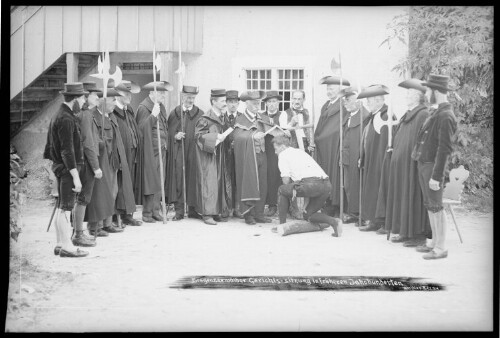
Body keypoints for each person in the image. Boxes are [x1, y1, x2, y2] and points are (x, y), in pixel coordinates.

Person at [412, 74, 457, 260]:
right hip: (425, 164)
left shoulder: (446, 115)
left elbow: (444, 149)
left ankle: (440, 247)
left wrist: (436, 177)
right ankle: (433, 242)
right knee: (430, 205)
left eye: (429, 90)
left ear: (436, 92)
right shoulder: (437, 111)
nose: (427, 93)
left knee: (437, 207)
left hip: (433, 168)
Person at [43, 82, 90, 257]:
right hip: (67, 170)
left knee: (62, 208)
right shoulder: (66, 118)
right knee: (67, 208)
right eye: (83, 97)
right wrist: (75, 177)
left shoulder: (62, 114)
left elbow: (52, 148)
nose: (84, 101)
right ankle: (68, 247)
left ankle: (59, 244)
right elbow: (67, 150)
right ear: (75, 99)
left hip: (61, 168)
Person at [383, 79, 430, 246]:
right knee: (402, 197)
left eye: (410, 93)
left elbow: (421, 141)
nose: (406, 95)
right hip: (401, 166)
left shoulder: (423, 114)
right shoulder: (408, 114)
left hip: (412, 166)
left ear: (418, 96)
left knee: (412, 196)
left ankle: (417, 235)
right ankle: (404, 231)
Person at [273, 135, 341, 237]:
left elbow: (286, 181)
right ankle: (333, 222)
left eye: (276, 149)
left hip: (310, 184)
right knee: (308, 215)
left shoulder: (283, 155)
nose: (275, 152)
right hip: (326, 184)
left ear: (282, 147)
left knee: (281, 190)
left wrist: (290, 195)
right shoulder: (300, 152)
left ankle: (282, 225)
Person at [84, 89, 126, 236]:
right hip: (100, 161)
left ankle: (108, 223)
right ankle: (96, 226)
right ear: (103, 101)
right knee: (99, 194)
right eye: (113, 100)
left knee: (111, 192)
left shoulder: (111, 117)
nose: (115, 103)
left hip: (112, 161)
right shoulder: (93, 117)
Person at [231, 90, 273, 225]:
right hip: (249, 156)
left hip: (262, 154)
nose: (257, 105)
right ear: (247, 103)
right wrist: (252, 136)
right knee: (248, 183)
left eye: (258, 103)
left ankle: (259, 213)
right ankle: (248, 214)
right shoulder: (240, 119)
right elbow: (237, 138)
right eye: (254, 103)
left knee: (262, 184)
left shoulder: (263, 118)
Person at [194, 89, 232, 225]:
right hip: (208, 156)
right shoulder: (205, 119)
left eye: (225, 101)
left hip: (220, 155)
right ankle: (207, 214)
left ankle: (217, 211)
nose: (225, 104)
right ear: (213, 102)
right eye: (222, 101)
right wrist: (215, 137)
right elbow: (198, 136)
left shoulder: (223, 117)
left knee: (219, 182)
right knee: (209, 183)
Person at [166, 85, 204, 221]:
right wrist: (175, 136)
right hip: (179, 152)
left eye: (193, 98)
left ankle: (193, 209)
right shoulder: (174, 113)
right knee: (179, 179)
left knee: (193, 178)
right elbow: (168, 132)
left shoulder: (200, 114)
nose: (190, 100)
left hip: (194, 153)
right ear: (182, 97)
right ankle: (179, 211)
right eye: (188, 97)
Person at [136, 81, 172, 223]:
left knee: (159, 181)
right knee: (150, 181)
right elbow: (141, 129)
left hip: (161, 148)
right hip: (151, 151)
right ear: (151, 93)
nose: (163, 95)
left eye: (164, 92)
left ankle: (156, 211)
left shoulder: (160, 107)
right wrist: (153, 115)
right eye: (160, 92)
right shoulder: (144, 107)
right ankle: (147, 213)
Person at [314, 76, 349, 218]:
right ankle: (326, 201)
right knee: (325, 174)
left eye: (332, 88)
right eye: (328, 89)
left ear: (340, 89)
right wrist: (317, 137)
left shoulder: (342, 105)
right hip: (324, 146)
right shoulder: (326, 105)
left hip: (334, 145)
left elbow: (337, 128)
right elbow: (321, 125)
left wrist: (324, 137)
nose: (329, 91)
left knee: (335, 174)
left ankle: (335, 204)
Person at [357, 84, 390, 232]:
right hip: (371, 159)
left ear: (378, 101)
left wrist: (381, 160)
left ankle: (384, 222)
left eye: (369, 101)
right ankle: (373, 220)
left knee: (380, 190)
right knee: (371, 189)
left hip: (380, 160)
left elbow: (385, 141)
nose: (367, 104)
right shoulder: (373, 115)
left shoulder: (387, 116)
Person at [111, 80, 142, 226]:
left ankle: (127, 215)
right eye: (126, 93)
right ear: (117, 95)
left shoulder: (128, 110)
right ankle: (114, 216)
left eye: (129, 93)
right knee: (119, 183)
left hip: (132, 152)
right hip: (120, 154)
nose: (129, 96)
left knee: (129, 184)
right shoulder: (112, 112)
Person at [339, 87, 370, 224]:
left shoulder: (365, 116)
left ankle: (361, 214)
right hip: (346, 157)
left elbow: (365, 140)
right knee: (348, 186)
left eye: (348, 100)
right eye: (345, 100)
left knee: (357, 186)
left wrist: (361, 156)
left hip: (356, 157)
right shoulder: (348, 116)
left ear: (358, 101)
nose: (345, 103)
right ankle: (352, 212)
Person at [262, 90, 284, 217]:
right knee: (266, 175)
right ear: (266, 103)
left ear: (278, 102)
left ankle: (277, 204)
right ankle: (268, 203)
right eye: (269, 101)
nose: (272, 104)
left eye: (274, 101)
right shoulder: (261, 116)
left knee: (277, 175)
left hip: (279, 150)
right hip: (265, 149)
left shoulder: (283, 116)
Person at [225, 90, 243, 218]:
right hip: (224, 153)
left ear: (238, 104)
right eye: (230, 102)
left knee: (238, 179)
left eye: (235, 102)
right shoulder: (221, 117)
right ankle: (227, 208)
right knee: (226, 179)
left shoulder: (242, 117)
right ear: (226, 103)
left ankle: (237, 208)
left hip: (239, 153)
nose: (233, 105)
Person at [285, 90, 315, 154]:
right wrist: (291, 123)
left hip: (306, 147)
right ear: (291, 99)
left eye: (299, 99)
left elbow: (312, 130)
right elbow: (283, 131)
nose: (296, 101)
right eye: (294, 99)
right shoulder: (285, 114)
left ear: (304, 100)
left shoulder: (308, 113)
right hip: (291, 147)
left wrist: (311, 144)